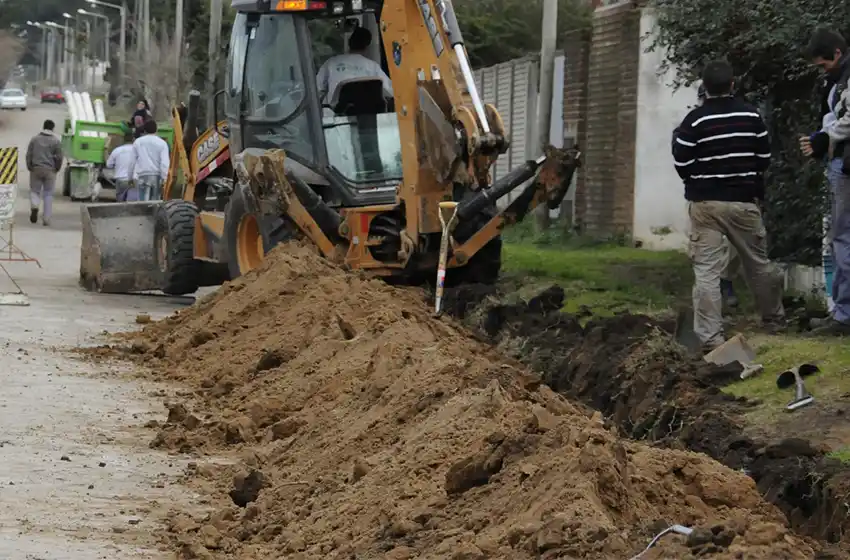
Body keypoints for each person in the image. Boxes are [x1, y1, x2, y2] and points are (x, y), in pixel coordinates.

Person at [672, 59, 785, 352]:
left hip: (706, 204)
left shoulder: (694, 121)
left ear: (704, 88)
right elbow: (764, 160)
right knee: (758, 263)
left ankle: (711, 338)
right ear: (732, 84)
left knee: (707, 271)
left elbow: (681, 162)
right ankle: (773, 320)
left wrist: (699, 178)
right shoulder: (752, 117)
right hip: (744, 203)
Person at [800, 28, 850, 335]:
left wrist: (824, 138)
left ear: (837, 54)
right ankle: (842, 312)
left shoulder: (846, 78)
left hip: (845, 168)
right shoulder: (838, 79)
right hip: (840, 163)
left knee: (843, 239)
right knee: (840, 239)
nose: (822, 70)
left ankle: (844, 316)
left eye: (823, 64)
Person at [673, 83, 741, 309]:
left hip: (734, 194)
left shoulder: (736, 121)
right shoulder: (692, 124)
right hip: (703, 196)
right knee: (705, 252)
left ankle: (725, 281)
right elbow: (681, 158)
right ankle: (710, 303)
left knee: (734, 247)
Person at [316, 26, 393, 108]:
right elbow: (391, 91)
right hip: (367, 113)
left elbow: (316, 89)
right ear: (367, 45)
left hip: (335, 115)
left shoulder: (331, 63)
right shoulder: (373, 66)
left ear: (349, 42)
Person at [25, 119, 63, 227]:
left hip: (36, 168)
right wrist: (57, 168)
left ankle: (35, 206)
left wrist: (29, 166)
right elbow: (59, 157)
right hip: (50, 170)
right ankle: (46, 218)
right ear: (52, 128)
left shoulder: (34, 139)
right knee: (48, 194)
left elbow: (29, 154)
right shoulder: (56, 141)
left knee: (35, 191)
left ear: (43, 127)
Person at [132, 120, 169, 201]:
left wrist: (132, 176)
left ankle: (142, 212)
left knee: (142, 202)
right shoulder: (162, 143)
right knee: (155, 203)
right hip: (156, 176)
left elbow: (133, 160)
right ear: (156, 130)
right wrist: (165, 178)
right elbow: (164, 163)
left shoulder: (137, 142)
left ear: (144, 130)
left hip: (142, 175)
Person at [106, 133, 137, 202]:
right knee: (133, 203)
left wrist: (105, 149)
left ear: (123, 140)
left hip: (121, 180)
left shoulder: (117, 150)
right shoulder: (138, 151)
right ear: (134, 140)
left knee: (120, 203)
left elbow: (108, 165)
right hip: (134, 180)